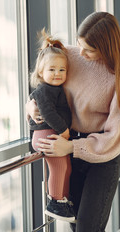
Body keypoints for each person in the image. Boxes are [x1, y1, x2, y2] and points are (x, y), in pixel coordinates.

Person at [26, 11, 120, 231]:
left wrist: (71, 146)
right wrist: (29, 106)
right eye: (79, 44)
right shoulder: (69, 55)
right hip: (66, 151)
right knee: (74, 225)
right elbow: (42, 85)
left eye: (89, 49)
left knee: (88, 227)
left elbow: (116, 137)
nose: (81, 53)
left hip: (101, 159)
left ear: (106, 48)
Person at [28, 29, 75, 222]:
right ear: (41, 72)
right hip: (46, 135)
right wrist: (64, 130)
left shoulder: (55, 89)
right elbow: (48, 113)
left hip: (51, 134)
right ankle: (55, 201)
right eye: (52, 70)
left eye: (61, 70)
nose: (57, 74)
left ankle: (62, 199)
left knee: (66, 167)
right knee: (58, 167)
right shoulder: (43, 90)